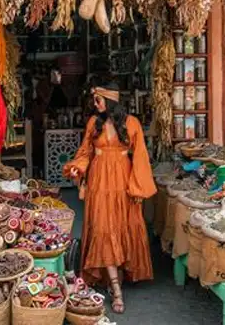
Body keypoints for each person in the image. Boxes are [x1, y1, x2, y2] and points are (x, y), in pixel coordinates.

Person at [63, 82, 156, 314]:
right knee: (104, 229)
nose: (95, 104)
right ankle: (116, 290)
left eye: (99, 100)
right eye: (95, 100)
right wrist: (78, 167)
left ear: (111, 101)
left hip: (123, 182)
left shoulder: (131, 123)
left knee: (121, 227)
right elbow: (85, 152)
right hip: (99, 183)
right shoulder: (94, 123)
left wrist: (138, 188)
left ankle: (117, 274)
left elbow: (141, 157)